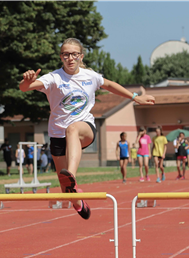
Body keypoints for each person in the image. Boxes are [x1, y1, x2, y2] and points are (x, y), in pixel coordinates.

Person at [19, 38, 155, 220]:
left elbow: (109, 85)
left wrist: (135, 97)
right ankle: (78, 202)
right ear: (61, 57)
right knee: (66, 191)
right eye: (66, 54)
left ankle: (71, 175)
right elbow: (24, 88)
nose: (70, 58)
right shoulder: (53, 78)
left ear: (80, 56)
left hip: (84, 129)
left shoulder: (90, 76)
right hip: (57, 135)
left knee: (72, 129)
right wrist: (27, 81)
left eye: (74, 54)